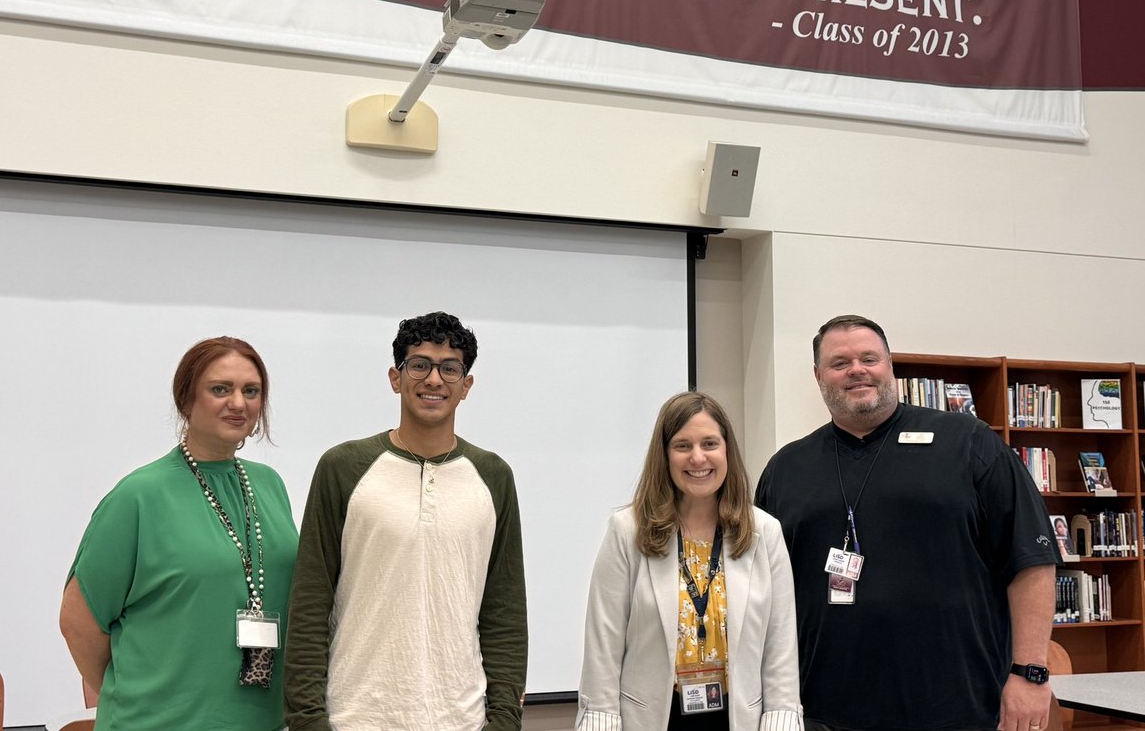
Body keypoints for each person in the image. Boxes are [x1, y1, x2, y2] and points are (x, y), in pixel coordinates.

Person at [755, 315, 1060, 731]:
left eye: (869, 358)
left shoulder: (969, 443)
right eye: (839, 362)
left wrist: (1030, 674)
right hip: (822, 711)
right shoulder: (786, 470)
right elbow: (763, 592)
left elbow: (1032, 560)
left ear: (890, 365)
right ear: (818, 375)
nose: (857, 370)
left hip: (957, 706)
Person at [284, 311, 527, 731]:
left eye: (450, 369)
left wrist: (504, 721)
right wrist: (309, 721)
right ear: (396, 378)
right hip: (355, 718)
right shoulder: (342, 467)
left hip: (461, 720)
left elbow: (503, 612)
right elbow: (309, 603)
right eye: (420, 365)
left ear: (466, 386)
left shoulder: (493, 476)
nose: (434, 379)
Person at [60, 336, 299, 730]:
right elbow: (78, 622)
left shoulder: (270, 485)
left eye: (251, 391)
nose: (238, 403)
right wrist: (138, 693)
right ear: (186, 399)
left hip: (260, 722)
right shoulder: (139, 495)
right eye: (220, 389)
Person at [576, 391, 803, 731]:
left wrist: (782, 717)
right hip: (653, 719)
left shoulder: (764, 533)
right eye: (683, 446)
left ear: (727, 451)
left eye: (710, 443)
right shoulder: (628, 531)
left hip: (740, 719)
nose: (698, 458)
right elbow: (603, 644)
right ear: (665, 455)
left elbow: (780, 645)